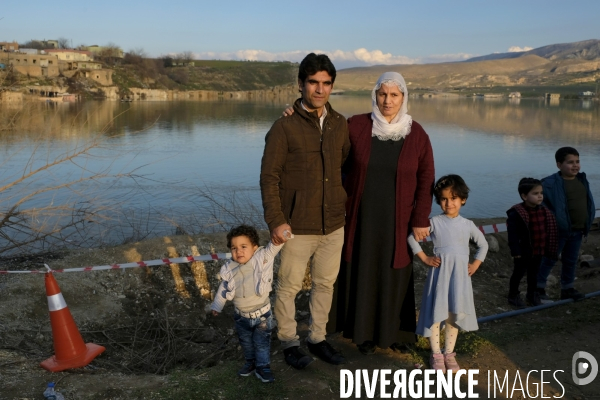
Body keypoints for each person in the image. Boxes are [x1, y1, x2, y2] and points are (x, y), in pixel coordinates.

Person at [329, 71, 435, 355]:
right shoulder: (357, 126)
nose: (387, 101)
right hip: (360, 217)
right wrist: (294, 109)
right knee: (362, 270)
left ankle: (395, 332)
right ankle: (362, 333)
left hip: (398, 219)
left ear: (403, 97)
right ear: (375, 95)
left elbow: (426, 179)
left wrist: (421, 219)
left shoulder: (417, 134)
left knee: (395, 272)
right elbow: (328, 143)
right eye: (382, 94)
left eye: (394, 95)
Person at [260, 53, 350, 368]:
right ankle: (288, 342)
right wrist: (276, 220)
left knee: (325, 284)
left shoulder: (340, 124)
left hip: (333, 225)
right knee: (288, 287)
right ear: (301, 84)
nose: (320, 89)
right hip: (296, 226)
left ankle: (317, 339)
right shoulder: (284, 127)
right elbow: (269, 178)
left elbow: (345, 166)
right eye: (313, 82)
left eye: (326, 83)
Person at [408, 174, 488, 373]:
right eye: (444, 199)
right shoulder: (434, 222)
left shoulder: (468, 225)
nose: (449, 203)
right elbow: (412, 238)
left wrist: (476, 264)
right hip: (440, 276)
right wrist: (425, 258)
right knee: (436, 314)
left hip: (460, 278)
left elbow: (483, 244)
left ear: (463, 199)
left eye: (453, 198)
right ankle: (436, 354)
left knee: (454, 314)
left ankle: (449, 353)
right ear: (438, 200)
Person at [210, 224, 286, 383]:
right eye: (234, 248)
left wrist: (280, 239)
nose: (238, 251)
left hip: (262, 317)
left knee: (261, 344)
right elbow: (223, 288)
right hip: (241, 317)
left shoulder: (261, 260)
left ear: (255, 247)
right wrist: (217, 306)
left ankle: (263, 367)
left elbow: (273, 249)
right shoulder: (229, 268)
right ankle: (250, 363)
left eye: (243, 246)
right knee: (246, 343)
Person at [536, 147, 596, 301]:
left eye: (577, 161)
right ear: (559, 164)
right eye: (570, 162)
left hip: (577, 230)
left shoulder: (582, 180)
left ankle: (567, 289)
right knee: (549, 259)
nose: (575, 165)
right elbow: (541, 205)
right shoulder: (549, 183)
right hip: (558, 231)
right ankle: (537, 289)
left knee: (570, 260)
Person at [506, 178, 558, 307]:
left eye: (541, 193)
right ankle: (513, 295)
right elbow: (513, 235)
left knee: (533, 274)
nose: (540, 196)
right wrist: (516, 251)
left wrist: (547, 247)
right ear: (524, 196)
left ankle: (532, 295)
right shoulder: (517, 213)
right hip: (523, 251)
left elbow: (546, 231)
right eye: (535, 193)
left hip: (538, 249)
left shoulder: (544, 211)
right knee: (518, 273)